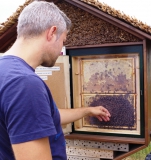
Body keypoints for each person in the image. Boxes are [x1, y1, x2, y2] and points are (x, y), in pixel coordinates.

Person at [0, 1, 111, 159]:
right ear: (52, 33)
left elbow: (42, 116)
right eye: (63, 41)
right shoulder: (25, 84)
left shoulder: (5, 71)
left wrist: (87, 110)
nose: (61, 50)